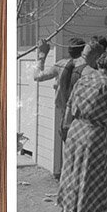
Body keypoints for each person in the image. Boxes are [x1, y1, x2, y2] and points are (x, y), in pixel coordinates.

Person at [57, 40, 107, 212]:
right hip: (94, 136)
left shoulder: (82, 81)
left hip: (75, 133)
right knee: (86, 189)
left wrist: (71, 130)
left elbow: (68, 113)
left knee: (74, 185)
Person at [33, 36, 85, 178]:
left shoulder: (61, 65)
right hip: (82, 117)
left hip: (65, 116)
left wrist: (42, 55)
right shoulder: (87, 69)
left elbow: (37, 76)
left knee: (67, 153)